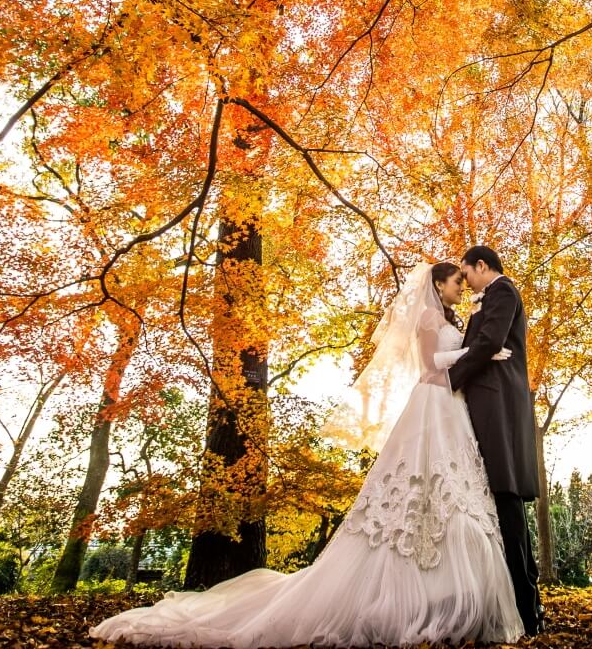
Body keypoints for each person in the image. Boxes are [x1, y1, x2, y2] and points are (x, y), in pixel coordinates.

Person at [89, 262, 524, 647]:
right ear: (439, 283)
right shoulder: (429, 315)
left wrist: (476, 349)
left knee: (447, 491)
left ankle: (442, 587)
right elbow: (432, 362)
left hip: (451, 406)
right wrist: (476, 350)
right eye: (455, 281)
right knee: (417, 486)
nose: (460, 287)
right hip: (433, 401)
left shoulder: (451, 313)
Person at [448, 245, 545, 636]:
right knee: (501, 500)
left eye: (467, 273)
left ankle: (526, 607)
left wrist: (450, 381)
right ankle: (522, 604)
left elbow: (489, 342)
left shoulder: (503, 291)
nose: (465, 281)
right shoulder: (489, 297)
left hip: (497, 401)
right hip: (488, 399)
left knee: (506, 496)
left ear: (482, 266)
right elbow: (484, 345)